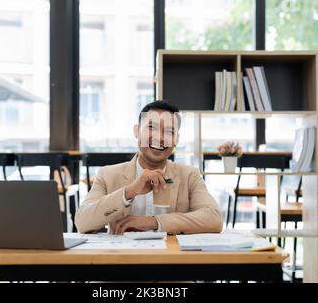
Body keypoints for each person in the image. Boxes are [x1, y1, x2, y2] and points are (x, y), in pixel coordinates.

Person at [75, 100, 223, 234]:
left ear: (176, 139)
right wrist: (129, 192)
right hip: (123, 259)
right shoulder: (107, 175)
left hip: (171, 259)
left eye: (169, 131)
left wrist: (153, 222)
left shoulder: (190, 175)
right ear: (136, 131)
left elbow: (214, 219)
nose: (159, 138)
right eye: (152, 128)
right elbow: (82, 223)